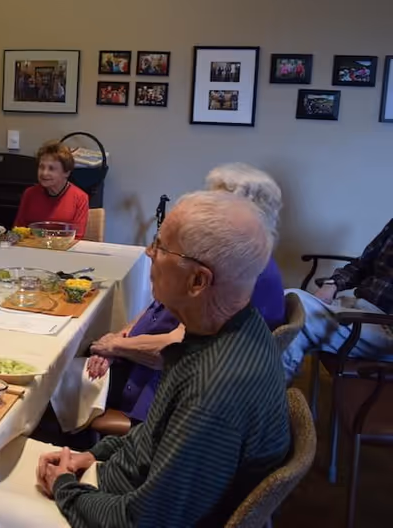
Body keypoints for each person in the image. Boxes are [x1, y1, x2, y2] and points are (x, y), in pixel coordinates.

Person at [37, 192, 290, 527]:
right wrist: (92, 455)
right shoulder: (232, 327)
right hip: (119, 487)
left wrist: (64, 486)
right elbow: (153, 437)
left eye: (160, 246)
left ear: (198, 281)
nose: (148, 252)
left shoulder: (212, 392)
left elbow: (141, 521)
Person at [83, 163, 285, 427]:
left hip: (151, 393)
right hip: (137, 368)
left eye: (215, 202)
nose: (206, 207)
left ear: (245, 215)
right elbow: (159, 306)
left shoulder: (239, 273)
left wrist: (115, 347)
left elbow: (176, 347)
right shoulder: (229, 262)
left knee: (58, 381)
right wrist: (123, 335)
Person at [283, 219, 393, 381]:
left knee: (295, 304)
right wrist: (332, 284)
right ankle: (271, 396)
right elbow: (361, 265)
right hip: (359, 308)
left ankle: (268, 398)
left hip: (385, 328)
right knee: (290, 307)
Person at [13, 140, 88, 237]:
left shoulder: (80, 198)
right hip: (33, 248)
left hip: (63, 249)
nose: (44, 173)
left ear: (66, 172)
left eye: (51, 169)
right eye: (41, 167)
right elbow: (18, 231)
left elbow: (77, 237)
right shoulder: (29, 194)